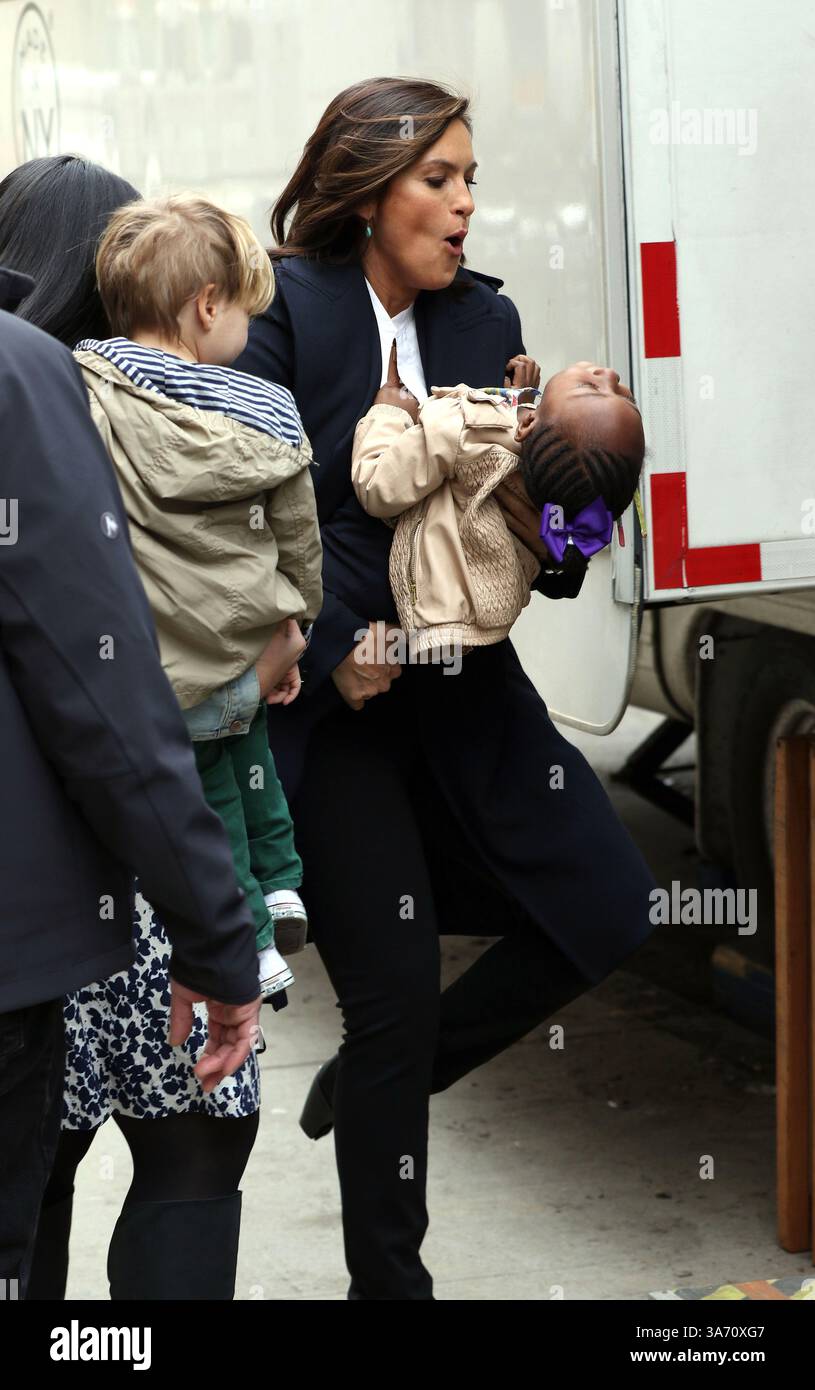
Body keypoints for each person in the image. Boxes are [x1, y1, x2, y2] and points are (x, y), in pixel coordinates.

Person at [234, 75, 660, 1301]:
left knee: (612, 906)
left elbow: (546, 550)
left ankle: (387, 1076)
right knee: (392, 994)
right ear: (369, 192)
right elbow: (262, 524)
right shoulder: (286, 314)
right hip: (345, 721)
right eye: (441, 179)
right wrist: (327, 657)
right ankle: (392, 1287)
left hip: (472, 698)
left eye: (470, 178)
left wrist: (585, 494)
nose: (466, 204)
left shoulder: (488, 323)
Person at [0, 156, 277, 1302]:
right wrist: (219, 930)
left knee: (48, 1171)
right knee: (195, 1147)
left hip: (76, 889)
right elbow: (100, 681)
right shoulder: (55, 393)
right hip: (131, 857)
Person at [74, 192, 323, 1000]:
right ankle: (277, 893)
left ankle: (250, 940)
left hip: (162, 679)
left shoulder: (93, 392)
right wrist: (299, 623)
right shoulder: (270, 413)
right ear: (206, 305)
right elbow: (299, 536)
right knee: (252, 773)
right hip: (250, 654)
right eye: (245, 311)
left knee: (209, 802)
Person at [351, 348, 645, 652]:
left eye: (590, 388)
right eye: (625, 396)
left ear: (529, 423)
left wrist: (391, 413)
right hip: (483, 618)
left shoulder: (461, 429)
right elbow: (511, 445)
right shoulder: (559, 487)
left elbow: (376, 486)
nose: (611, 375)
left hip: (430, 610)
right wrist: (519, 397)